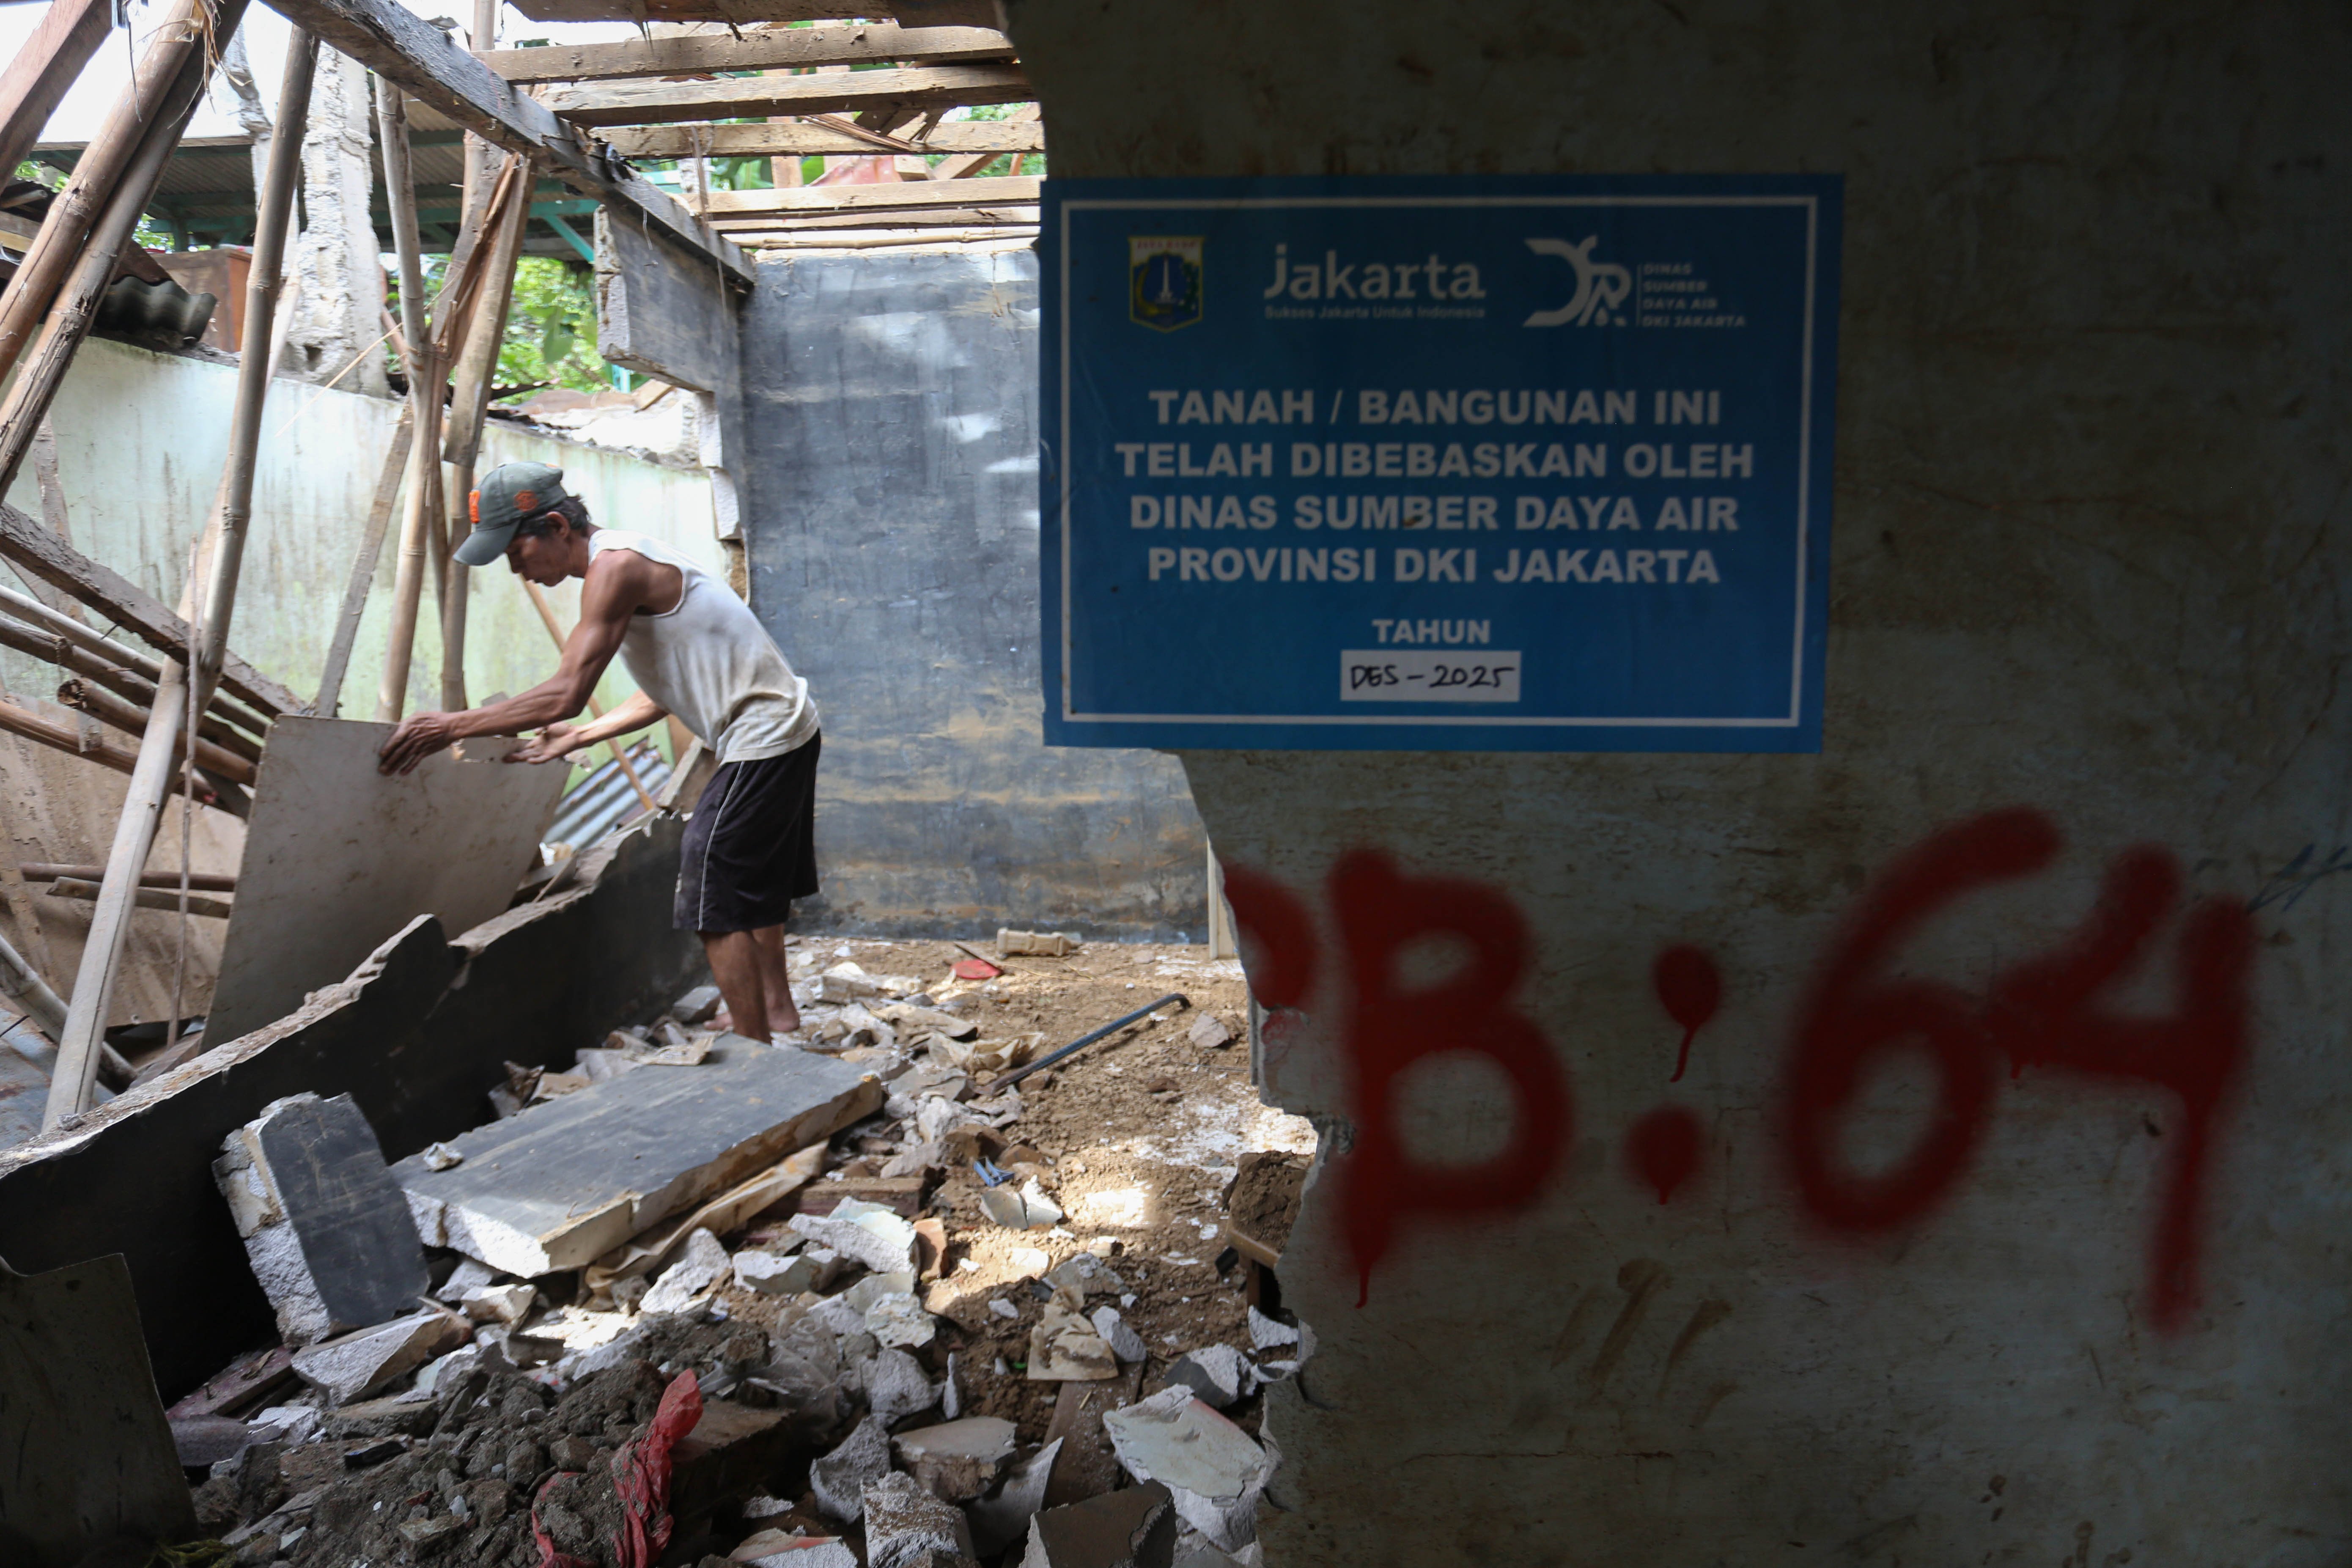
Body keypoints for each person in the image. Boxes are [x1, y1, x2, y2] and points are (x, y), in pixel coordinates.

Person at [377, 461, 820, 1042]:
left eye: (517, 553)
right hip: (784, 726)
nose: (519, 571)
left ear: (558, 526)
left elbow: (565, 694)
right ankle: (777, 1012)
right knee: (750, 880)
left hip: (764, 735)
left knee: (711, 881)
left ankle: (753, 1047)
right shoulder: (625, 560)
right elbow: (661, 692)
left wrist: (452, 726)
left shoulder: (616, 568)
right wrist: (583, 736)